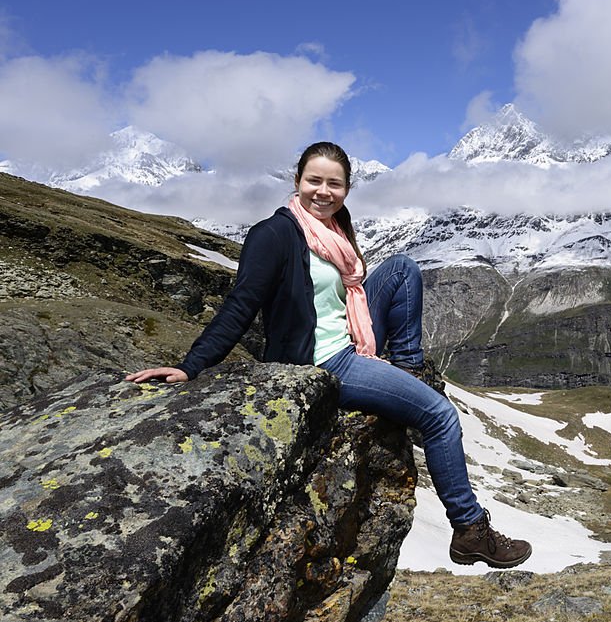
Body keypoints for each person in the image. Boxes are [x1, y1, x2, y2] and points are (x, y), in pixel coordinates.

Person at [126, 141, 532, 569]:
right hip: (322, 359)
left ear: (347, 189)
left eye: (333, 184)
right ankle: (469, 531)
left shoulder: (334, 228)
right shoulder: (275, 234)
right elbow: (240, 304)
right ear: (297, 181)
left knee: (401, 269)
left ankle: (410, 369)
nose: (323, 191)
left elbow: (346, 292)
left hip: (346, 333)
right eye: (314, 181)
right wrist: (191, 366)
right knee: (440, 416)